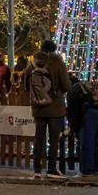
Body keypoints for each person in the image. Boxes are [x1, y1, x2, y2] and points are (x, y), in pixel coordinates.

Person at [30, 39, 72, 178]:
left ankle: (37, 170)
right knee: (54, 139)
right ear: (54, 50)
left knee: (39, 138)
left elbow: (26, 84)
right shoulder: (58, 63)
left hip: (38, 105)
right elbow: (66, 85)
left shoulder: (33, 63)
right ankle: (51, 169)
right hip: (54, 107)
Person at [67, 72, 98, 177]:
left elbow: (74, 112)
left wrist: (75, 128)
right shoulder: (86, 84)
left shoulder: (73, 91)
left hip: (91, 112)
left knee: (87, 142)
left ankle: (87, 171)